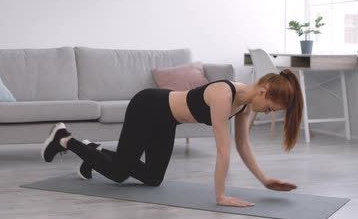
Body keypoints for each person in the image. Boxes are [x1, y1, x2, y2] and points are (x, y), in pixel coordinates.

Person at [41, 69, 304, 207]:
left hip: (167, 120)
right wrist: (220, 195)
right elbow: (224, 150)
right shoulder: (224, 95)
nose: (267, 113)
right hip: (147, 107)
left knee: (153, 179)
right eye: (270, 108)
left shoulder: (245, 105)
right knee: (120, 173)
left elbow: (242, 144)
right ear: (264, 91)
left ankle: (93, 152)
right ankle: (64, 138)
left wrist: (265, 180)